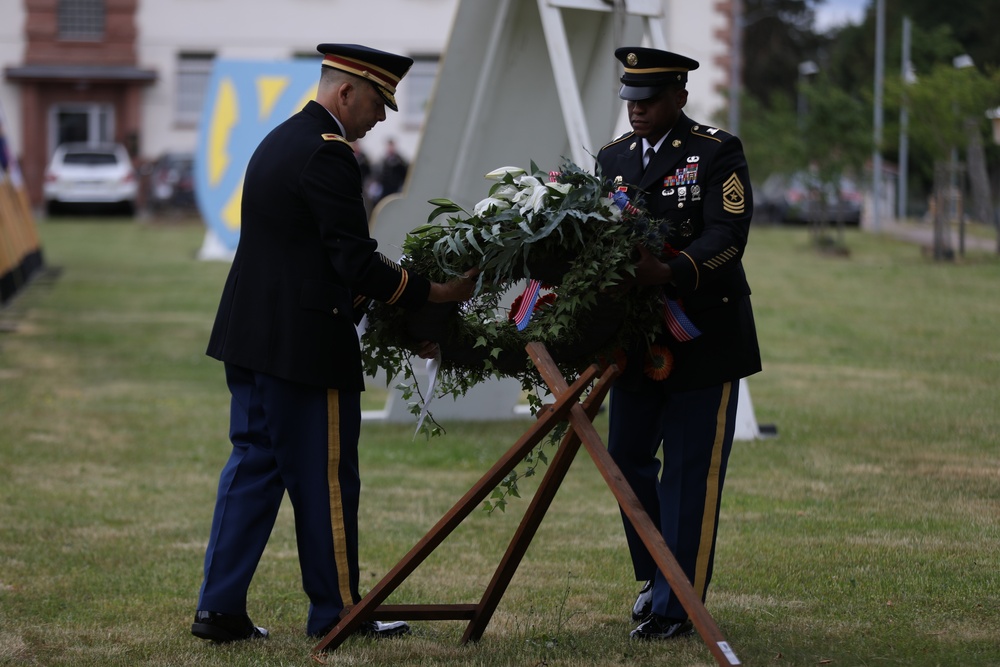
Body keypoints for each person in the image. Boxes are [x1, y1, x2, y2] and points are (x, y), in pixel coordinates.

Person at [191, 43, 477, 645]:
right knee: (325, 482)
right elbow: (354, 262)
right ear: (345, 92)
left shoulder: (279, 140)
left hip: (252, 337)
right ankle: (339, 611)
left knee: (252, 469)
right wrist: (435, 294)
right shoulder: (329, 156)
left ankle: (218, 609)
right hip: (302, 348)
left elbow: (305, 256)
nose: (382, 117)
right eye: (377, 102)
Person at [596, 47, 761, 640]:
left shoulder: (717, 151)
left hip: (704, 336)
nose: (636, 111)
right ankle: (654, 576)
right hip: (638, 341)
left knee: (690, 474)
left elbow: (728, 234)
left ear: (679, 97)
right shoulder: (612, 158)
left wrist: (671, 273)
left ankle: (674, 605)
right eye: (630, 100)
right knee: (626, 460)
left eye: (650, 99)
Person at [375, 138, 408, 204]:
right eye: (389, 146)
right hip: (385, 189)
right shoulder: (383, 160)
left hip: (396, 188)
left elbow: (404, 174)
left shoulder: (400, 160)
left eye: (391, 146)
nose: (390, 148)